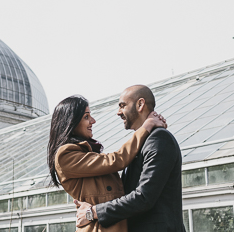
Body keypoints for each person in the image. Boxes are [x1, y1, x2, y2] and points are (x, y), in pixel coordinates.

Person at [47, 95, 167, 232]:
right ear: (71, 122)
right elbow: (117, 160)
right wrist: (147, 126)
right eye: (86, 117)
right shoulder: (66, 155)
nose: (93, 121)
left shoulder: (87, 152)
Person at [75, 85, 185, 232]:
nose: (118, 112)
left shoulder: (159, 139)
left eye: (122, 106)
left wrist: (94, 212)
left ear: (140, 104)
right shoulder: (142, 143)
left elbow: (144, 197)